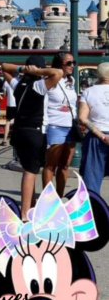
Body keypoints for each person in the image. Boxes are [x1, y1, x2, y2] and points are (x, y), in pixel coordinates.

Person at [1, 55, 63, 222]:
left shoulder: (18, 84)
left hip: (19, 132)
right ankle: (25, 214)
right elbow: (58, 72)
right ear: (38, 68)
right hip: (34, 132)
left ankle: (32, 208)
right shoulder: (39, 86)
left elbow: (4, 66)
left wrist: (22, 69)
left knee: (30, 170)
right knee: (30, 172)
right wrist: (38, 71)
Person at [43, 53, 79, 197]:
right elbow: (44, 105)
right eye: (68, 63)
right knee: (51, 165)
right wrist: (45, 127)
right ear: (59, 65)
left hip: (70, 126)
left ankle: (59, 196)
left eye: (73, 63)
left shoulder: (71, 80)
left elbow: (73, 104)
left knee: (65, 165)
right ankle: (48, 199)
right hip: (55, 125)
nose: (72, 66)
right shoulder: (49, 81)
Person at [79, 62, 109, 194]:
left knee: (92, 178)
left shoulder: (88, 92)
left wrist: (101, 135)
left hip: (96, 137)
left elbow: (82, 118)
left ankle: (94, 208)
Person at [1, 72, 19, 146]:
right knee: (18, 122)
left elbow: (4, 94)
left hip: (10, 104)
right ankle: (17, 139)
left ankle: (5, 140)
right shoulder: (19, 81)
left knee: (7, 122)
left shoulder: (6, 82)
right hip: (18, 104)